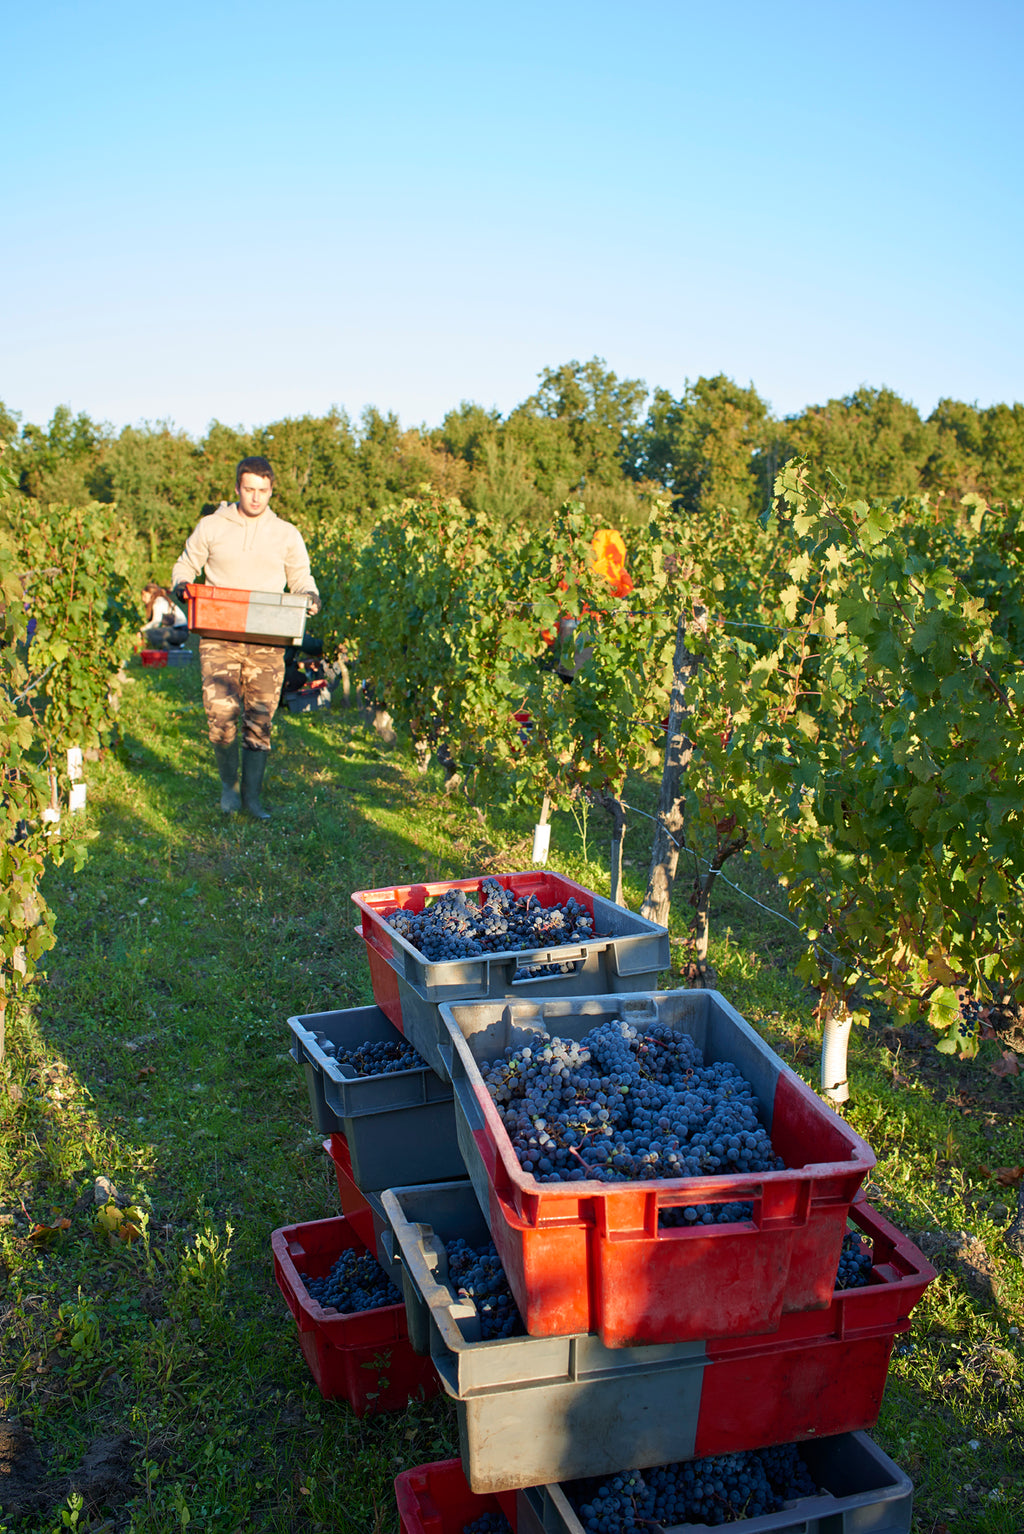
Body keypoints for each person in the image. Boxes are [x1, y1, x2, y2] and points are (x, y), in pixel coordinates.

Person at [170, 455, 320, 820]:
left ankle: (253, 798)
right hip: (218, 633)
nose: (256, 498)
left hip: (268, 639)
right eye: (249, 489)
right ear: (237, 487)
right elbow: (186, 564)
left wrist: (310, 597)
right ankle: (229, 787)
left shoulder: (286, 533)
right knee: (220, 715)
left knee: (260, 717)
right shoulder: (211, 527)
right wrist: (181, 585)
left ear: (271, 491)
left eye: (263, 491)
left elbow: (300, 577)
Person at [140, 583, 188, 648]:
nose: (143, 599)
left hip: (179, 632)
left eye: (145, 596)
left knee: (149, 634)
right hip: (178, 631)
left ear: (151, 593)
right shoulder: (160, 600)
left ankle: (169, 651)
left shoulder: (158, 601)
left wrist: (141, 630)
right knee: (156, 634)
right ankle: (172, 649)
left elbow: (156, 622)